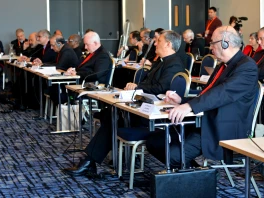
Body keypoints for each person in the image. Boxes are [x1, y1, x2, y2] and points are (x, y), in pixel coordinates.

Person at [62, 30, 185, 176]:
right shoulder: (161, 62)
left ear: (168, 44)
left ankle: (90, 161)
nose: (155, 43)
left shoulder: (174, 64)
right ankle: (92, 161)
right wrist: (136, 87)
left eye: (159, 41)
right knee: (110, 113)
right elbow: (148, 83)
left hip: (155, 114)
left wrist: (137, 87)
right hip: (145, 106)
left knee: (112, 116)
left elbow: (160, 88)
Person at [146, 26, 258, 167]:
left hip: (222, 127)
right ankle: (196, 173)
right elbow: (206, 94)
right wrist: (182, 101)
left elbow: (222, 93)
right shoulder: (223, 65)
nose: (210, 47)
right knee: (154, 141)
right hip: (204, 121)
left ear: (225, 43)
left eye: (212, 43)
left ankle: (197, 177)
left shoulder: (247, 66)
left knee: (173, 155)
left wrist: (189, 106)